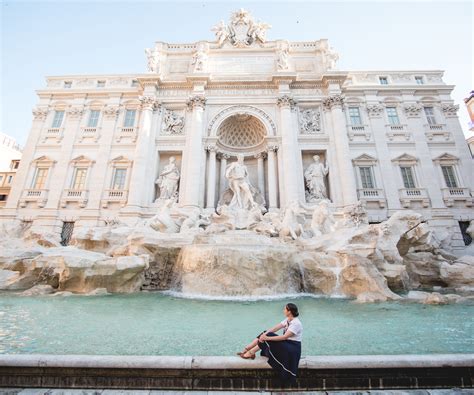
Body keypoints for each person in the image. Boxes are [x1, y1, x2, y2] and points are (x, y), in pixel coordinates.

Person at [236, 303, 303, 386]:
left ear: (289, 311)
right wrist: (265, 334)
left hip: (292, 348)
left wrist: (267, 338)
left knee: (269, 336)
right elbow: (275, 328)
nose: (283, 310)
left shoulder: (296, 323)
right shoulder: (288, 320)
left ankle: (250, 352)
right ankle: (247, 349)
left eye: (285, 309)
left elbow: (284, 337)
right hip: (287, 344)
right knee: (267, 333)